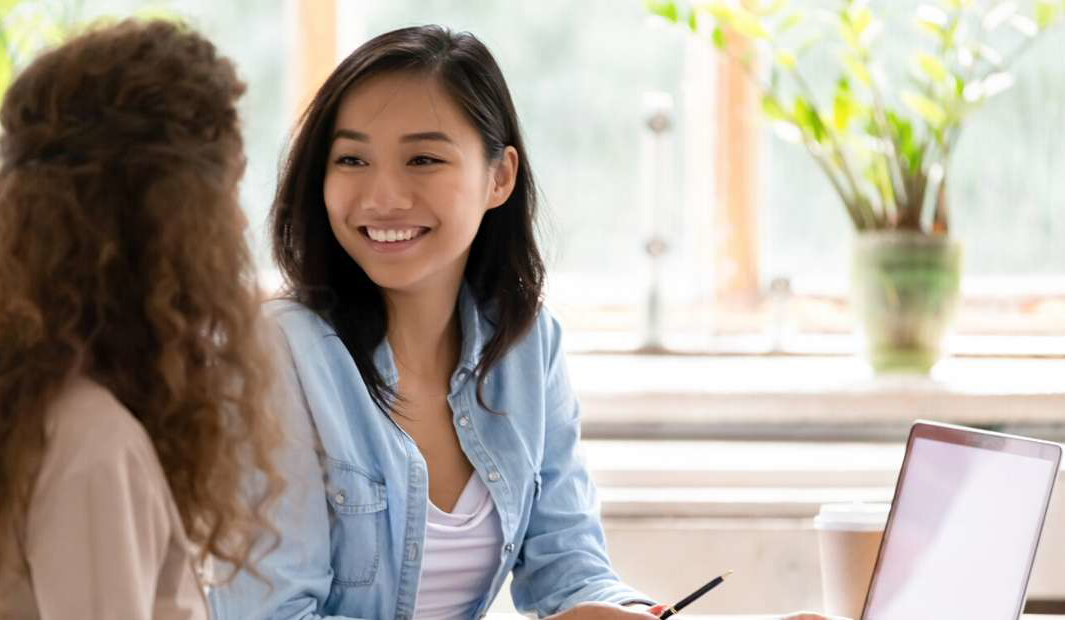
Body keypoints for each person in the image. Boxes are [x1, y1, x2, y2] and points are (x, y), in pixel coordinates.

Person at [211, 25, 840, 620]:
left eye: (423, 160)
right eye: (351, 161)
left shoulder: (526, 347)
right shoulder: (275, 356)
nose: (382, 197)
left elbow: (572, 574)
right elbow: (270, 613)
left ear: (500, 176)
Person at [0, 19, 281, 619]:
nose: (240, 226)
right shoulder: (95, 447)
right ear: (163, 221)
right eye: (226, 195)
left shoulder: (23, 420)